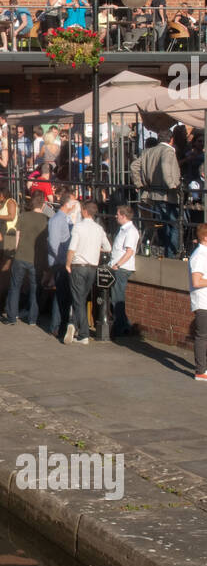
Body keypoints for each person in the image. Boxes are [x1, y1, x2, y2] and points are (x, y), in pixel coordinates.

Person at [64, 201, 111, 345]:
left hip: (79, 265)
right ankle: (75, 324)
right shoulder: (99, 228)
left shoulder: (78, 227)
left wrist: (67, 263)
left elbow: (72, 248)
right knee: (82, 298)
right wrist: (96, 249)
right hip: (92, 267)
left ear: (84, 211)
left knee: (78, 299)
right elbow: (108, 247)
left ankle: (82, 333)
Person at [130, 129, 182, 257]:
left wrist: (139, 183)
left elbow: (134, 166)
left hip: (154, 193)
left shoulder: (149, 151)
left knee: (165, 224)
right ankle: (172, 255)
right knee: (174, 225)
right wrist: (172, 185)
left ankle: (166, 251)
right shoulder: (168, 151)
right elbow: (165, 167)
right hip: (168, 194)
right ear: (171, 139)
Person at [4, 190, 47, 326]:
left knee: (15, 286)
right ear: (43, 204)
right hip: (37, 259)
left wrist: (15, 253)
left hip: (21, 255)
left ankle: (11, 317)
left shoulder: (23, 216)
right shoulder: (46, 220)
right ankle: (32, 319)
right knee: (35, 289)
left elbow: (17, 236)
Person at [47, 191, 79, 338]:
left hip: (65, 261)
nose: (76, 205)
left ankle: (62, 325)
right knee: (60, 294)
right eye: (74, 202)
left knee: (65, 294)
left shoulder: (66, 219)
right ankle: (56, 326)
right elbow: (53, 244)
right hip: (60, 262)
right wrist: (62, 259)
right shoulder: (57, 220)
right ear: (67, 204)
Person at [108, 203, 139, 338]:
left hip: (122, 268)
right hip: (117, 266)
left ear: (124, 216)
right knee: (115, 297)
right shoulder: (123, 229)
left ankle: (122, 327)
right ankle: (124, 325)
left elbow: (129, 251)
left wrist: (118, 265)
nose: (116, 216)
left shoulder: (131, 231)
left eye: (118, 214)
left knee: (117, 298)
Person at [189, 223, 207, 381]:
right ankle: (200, 371)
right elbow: (196, 281)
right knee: (202, 336)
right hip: (203, 302)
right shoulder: (199, 256)